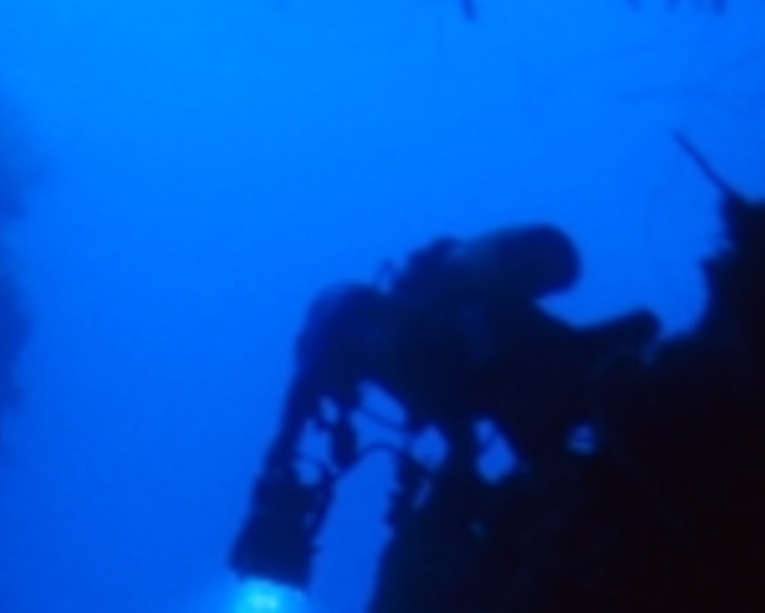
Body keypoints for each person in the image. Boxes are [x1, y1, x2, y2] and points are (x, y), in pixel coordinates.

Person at [231, 223, 659, 587]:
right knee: (563, 405)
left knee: (556, 447)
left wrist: (282, 447)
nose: (345, 399)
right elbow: (452, 400)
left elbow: (313, 383)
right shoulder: (412, 324)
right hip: (506, 370)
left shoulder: (376, 339)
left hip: (502, 372)